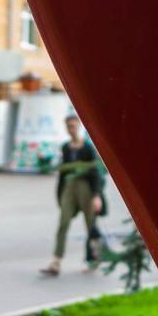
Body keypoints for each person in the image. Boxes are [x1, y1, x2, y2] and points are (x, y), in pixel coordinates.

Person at [40, 115, 107, 276]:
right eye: (68, 126)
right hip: (69, 188)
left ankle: (94, 258)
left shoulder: (88, 148)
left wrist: (96, 195)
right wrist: (61, 192)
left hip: (86, 188)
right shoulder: (66, 148)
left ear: (79, 127)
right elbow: (63, 172)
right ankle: (56, 262)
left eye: (73, 126)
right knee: (63, 222)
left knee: (90, 224)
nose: (71, 129)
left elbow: (95, 172)